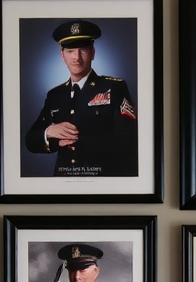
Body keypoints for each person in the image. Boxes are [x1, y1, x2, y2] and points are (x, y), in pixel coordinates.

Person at [24, 20, 137, 178]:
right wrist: (50, 131)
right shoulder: (55, 95)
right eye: (70, 51)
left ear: (93, 53)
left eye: (83, 49)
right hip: (63, 186)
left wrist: (78, 140)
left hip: (101, 183)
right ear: (62, 55)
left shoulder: (114, 88)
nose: (76, 57)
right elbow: (30, 140)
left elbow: (129, 140)